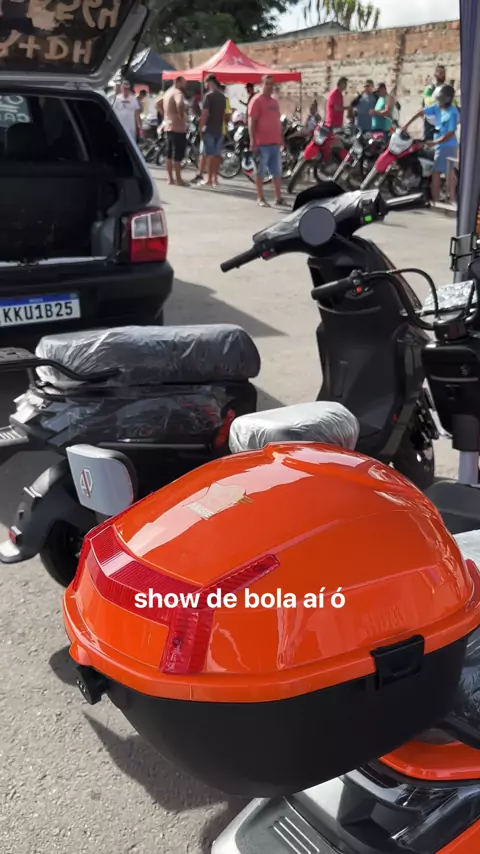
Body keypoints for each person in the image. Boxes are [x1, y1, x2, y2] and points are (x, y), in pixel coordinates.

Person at [401, 83, 459, 203]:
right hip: (438, 144)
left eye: (440, 99)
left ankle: (437, 198)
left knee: (437, 172)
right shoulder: (437, 107)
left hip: (447, 145)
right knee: (435, 167)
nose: (438, 101)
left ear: (446, 99)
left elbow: (450, 133)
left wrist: (434, 142)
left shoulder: (452, 113)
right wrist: (406, 125)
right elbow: (420, 112)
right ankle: (437, 195)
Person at [248, 74, 284, 207]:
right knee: (260, 172)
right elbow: (251, 121)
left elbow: (277, 121)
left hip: (274, 143)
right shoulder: (256, 100)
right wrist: (252, 140)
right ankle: (260, 198)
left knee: (277, 172)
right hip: (261, 144)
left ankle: (278, 198)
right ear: (261, 85)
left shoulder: (274, 102)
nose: (269, 86)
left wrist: (281, 138)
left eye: (271, 84)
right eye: (267, 84)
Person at [159, 76, 188, 186]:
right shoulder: (177, 93)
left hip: (168, 125)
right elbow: (180, 103)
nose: (185, 85)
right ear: (178, 82)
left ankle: (170, 179)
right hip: (177, 127)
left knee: (169, 153)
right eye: (184, 82)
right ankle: (179, 179)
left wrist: (165, 115)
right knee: (177, 154)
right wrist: (181, 116)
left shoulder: (167, 92)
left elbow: (157, 103)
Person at [198, 75, 226, 187]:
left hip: (210, 129)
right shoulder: (223, 97)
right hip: (220, 129)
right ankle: (215, 179)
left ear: (209, 82)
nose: (205, 85)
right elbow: (226, 115)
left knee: (209, 155)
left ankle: (209, 179)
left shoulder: (208, 96)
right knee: (217, 155)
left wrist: (200, 128)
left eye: (206, 83)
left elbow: (205, 114)